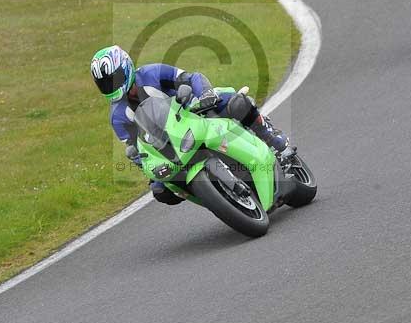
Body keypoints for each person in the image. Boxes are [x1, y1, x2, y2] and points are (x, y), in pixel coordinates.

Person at [90, 45, 294, 205]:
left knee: (235, 103)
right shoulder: (118, 116)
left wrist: (205, 93)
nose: (112, 86)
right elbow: (137, 148)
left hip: (192, 111)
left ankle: (272, 139)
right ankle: (216, 198)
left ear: (126, 68)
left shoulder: (152, 73)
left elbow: (190, 77)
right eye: (105, 83)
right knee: (161, 191)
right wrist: (144, 165)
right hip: (169, 147)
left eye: (113, 79)